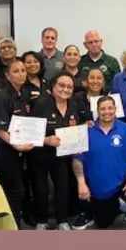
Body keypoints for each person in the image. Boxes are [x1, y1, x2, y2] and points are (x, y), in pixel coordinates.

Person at [70, 96, 126, 230]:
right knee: (103, 222)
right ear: (97, 111)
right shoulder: (86, 131)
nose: (107, 112)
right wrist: (81, 184)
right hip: (97, 186)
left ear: (115, 109)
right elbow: (77, 160)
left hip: (122, 182)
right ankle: (115, 204)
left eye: (110, 108)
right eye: (103, 109)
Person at [28, 71, 89, 230]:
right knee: (41, 189)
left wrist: (85, 127)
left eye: (69, 87)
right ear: (53, 86)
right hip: (40, 155)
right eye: (61, 85)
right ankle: (42, 220)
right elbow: (29, 131)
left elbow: (81, 125)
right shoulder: (41, 104)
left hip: (62, 156)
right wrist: (46, 140)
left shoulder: (75, 106)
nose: (65, 89)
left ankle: (62, 220)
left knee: (63, 188)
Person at [0, 59, 34, 226]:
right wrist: (16, 145)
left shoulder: (23, 94)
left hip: (19, 149)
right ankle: (12, 225)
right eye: (16, 71)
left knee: (19, 188)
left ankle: (14, 222)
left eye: (23, 70)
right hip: (4, 148)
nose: (21, 74)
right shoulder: (2, 96)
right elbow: (0, 129)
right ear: (7, 75)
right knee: (15, 190)